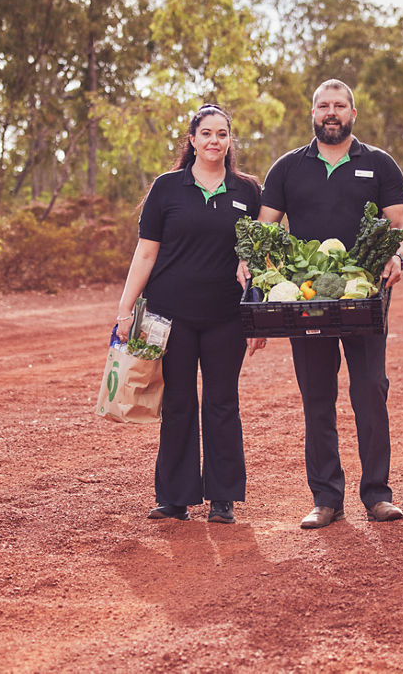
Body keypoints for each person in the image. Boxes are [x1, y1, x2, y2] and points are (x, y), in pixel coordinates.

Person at [246, 79, 403, 529]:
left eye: (340, 105)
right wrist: (253, 267)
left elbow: (402, 227)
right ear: (313, 113)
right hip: (308, 302)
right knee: (316, 399)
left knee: (371, 393)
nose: (332, 112)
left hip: (363, 299)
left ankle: (377, 495)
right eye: (324, 106)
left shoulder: (379, 164)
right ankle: (326, 499)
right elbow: (264, 231)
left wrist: (397, 256)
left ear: (353, 113)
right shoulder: (287, 168)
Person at [114, 104, 264, 524]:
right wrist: (126, 310)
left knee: (222, 402)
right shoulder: (166, 188)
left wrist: (258, 316)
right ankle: (174, 498)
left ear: (229, 140)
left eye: (222, 134)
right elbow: (146, 252)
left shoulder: (248, 192)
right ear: (192, 140)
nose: (214, 141)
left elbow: (260, 256)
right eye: (206, 134)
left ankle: (222, 498)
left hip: (226, 317)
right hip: (169, 317)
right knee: (178, 402)